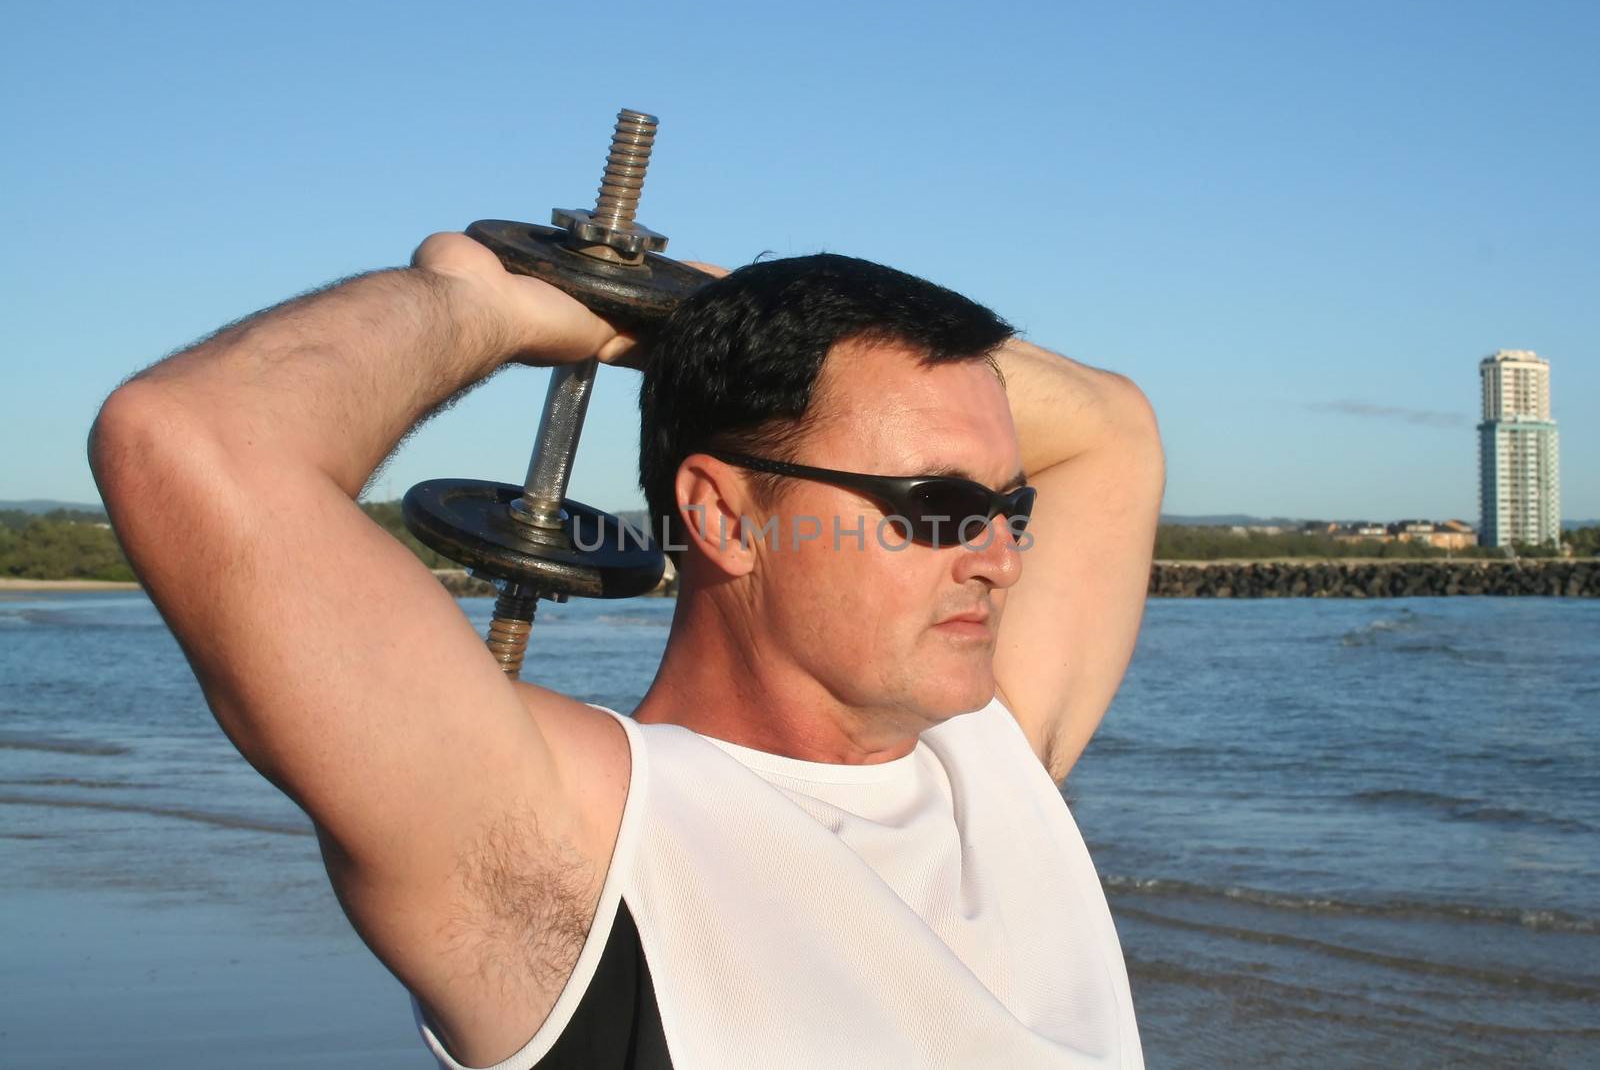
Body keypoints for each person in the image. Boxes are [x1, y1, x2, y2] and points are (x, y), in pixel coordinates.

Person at [89, 231, 1164, 1069]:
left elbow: (1113, 427)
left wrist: (690, 309)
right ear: (725, 516)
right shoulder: (577, 833)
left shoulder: (988, 756)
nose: (999, 560)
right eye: (934, 504)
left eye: (1006, 507)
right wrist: (490, 306)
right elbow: (189, 436)